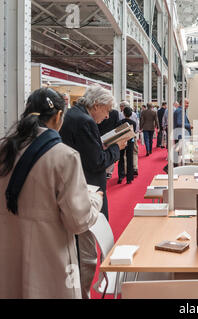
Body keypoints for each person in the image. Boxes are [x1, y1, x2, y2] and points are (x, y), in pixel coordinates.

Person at [0, 88, 102, 298]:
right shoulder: (65, 156)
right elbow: (78, 221)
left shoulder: (4, 149)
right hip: (50, 257)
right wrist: (94, 200)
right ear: (58, 117)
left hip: (7, 252)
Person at [59, 84, 127, 298]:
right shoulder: (85, 121)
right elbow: (96, 161)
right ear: (96, 105)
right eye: (106, 110)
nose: (107, 116)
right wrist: (117, 148)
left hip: (79, 188)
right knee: (87, 252)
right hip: (87, 191)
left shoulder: (75, 116)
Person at [98, 108, 120, 179]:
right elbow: (117, 124)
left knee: (102, 152)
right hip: (111, 135)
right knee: (110, 152)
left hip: (100, 134)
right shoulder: (115, 112)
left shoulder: (100, 111)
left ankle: (104, 170)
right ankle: (109, 172)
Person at [120, 101, 139, 175]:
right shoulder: (134, 114)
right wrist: (136, 133)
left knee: (124, 153)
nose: (120, 108)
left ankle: (125, 170)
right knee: (134, 152)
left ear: (123, 107)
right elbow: (137, 124)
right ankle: (135, 167)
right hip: (132, 135)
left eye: (121, 106)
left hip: (123, 137)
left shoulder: (120, 114)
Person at [118, 106, 137, 184]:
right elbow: (134, 132)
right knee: (130, 159)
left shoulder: (120, 122)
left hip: (122, 141)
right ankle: (129, 178)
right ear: (131, 114)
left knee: (121, 159)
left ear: (124, 113)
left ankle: (120, 176)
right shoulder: (134, 123)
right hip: (130, 141)